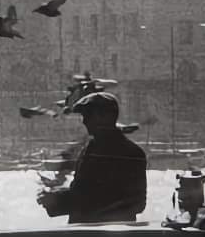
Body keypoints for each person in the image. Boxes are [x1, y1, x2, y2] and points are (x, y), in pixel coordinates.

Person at [37, 92, 147, 224]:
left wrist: (58, 200)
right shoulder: (95, 149)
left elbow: (132, 202)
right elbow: (92, 192)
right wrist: (57, 197)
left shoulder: (126, 153)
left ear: (105, 116)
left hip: (102, 236)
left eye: (88, 115)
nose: (84, 121)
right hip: (97, 234)